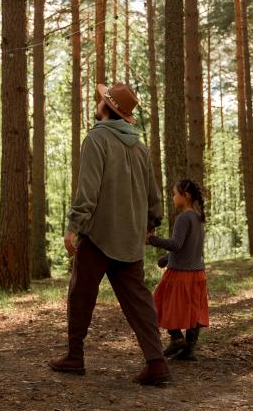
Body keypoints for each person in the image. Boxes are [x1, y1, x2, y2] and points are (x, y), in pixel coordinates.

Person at [49, 82, 171, 385]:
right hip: (130, 238)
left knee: (81, 296)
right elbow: (153, 193)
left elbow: (87, 190)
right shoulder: (140, 147)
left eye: (101, 100)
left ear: (107, 108)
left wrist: (73, 227)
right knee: (139, 301)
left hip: (99, 236)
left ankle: (75, 357)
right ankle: (157, 363)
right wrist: (151, 223)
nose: (97, 102)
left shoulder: (96, 139)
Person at [147, 178, 208, 361]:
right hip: (197, 273)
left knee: (158, 303)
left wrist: (152, 239)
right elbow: (189, 247)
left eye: (175, 194)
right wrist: (166, 258)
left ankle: (176, 339)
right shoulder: (198, 217)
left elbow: (176, 244)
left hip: (180, 274)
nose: (173, 197)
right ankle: (189, 350)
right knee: (193, 310)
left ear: (185, 195)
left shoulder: (183, 218)